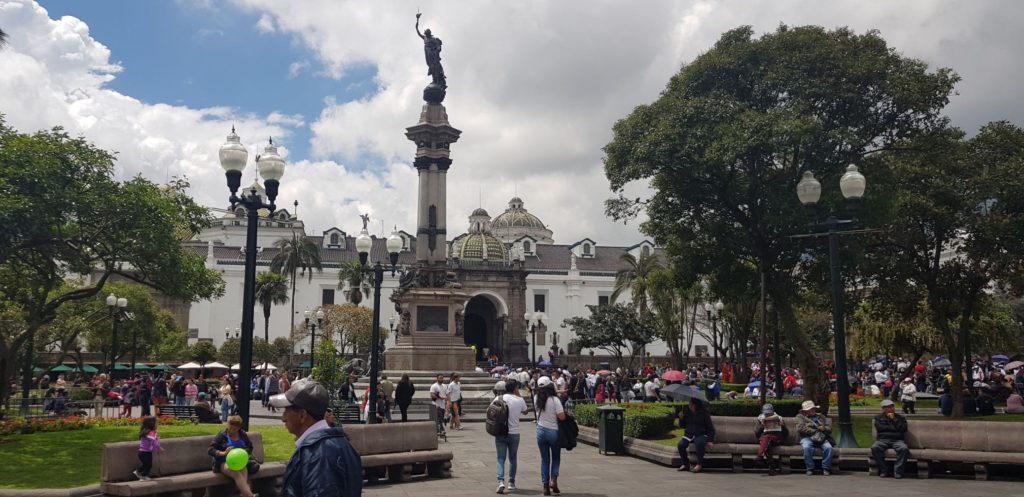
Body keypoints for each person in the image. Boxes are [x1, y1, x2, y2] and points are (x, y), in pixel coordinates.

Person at [271, 379, 363, 496]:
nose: (283, 418)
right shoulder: (341, 443)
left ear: (302, 415)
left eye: (286, 410)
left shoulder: (317, 454)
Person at [208, 415, 256, 497]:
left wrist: (243, 451)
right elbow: (210, 449)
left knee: (244, 472)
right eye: (230, 427)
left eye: (234, 429)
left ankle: (243, 494)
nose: (231, 430)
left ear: (239, 428)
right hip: (224, 462)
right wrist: (223, 453)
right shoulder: (222, 435)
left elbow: (250, 447)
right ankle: (250, 495)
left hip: (240, 462)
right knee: (237, 474)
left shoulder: (242, 435)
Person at [495, 379, 529, 494]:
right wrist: (518, 395)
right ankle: (511, 482)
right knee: (513, 458)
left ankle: (500, 482)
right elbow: (525, 411)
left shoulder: (499, 398)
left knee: (500, 458)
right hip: (514, 433)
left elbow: (489, 411)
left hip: (500, 432)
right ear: (515, 388)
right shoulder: (519, 400)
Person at [534, 376, 566, 496]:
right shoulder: (554, 399)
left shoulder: (536, 398)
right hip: (553, 431)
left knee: (545, 460)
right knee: (556, 458)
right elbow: (562, 417)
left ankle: (545, 486)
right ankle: (554, 481)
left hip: (540, 431)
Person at [871, 399, 911, 479]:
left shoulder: (900, 418)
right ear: (883, 409)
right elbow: (880, 428)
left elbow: (903, 429)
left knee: (904, 449)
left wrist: (894, 420)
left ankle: (898, 471)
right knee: (875, 448)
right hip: (883, 440)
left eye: (892, 406)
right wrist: (894, 428)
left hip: (898, 440)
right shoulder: (878, 418)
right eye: (888, 407)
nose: (891, 409)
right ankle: (884, 470)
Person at [676, 399, 715, 473]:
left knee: (699, 443)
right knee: (681, 445)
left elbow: (711, 428)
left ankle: (699, 464)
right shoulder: (687, 413)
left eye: (690, 403)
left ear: (695, 405)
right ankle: (685, 464)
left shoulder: (704, 414)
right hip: (689, 434)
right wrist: (681, 418)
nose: (689, 405)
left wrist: (710, 440)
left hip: (700, 434)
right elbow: (683, 426)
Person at [796, 400, 833, 476]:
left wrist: (824, 429)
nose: (813, 410)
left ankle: (825, 468)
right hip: (807, 437)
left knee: (829, 448)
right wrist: (815, 430)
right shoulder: (800, 417)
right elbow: (800, 428)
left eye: (813, 408)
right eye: (810, 409)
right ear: (806, 411)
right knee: (807, 447)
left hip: (821, 437)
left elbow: (829, 429)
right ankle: (810, 468)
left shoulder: (820, 416)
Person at [755, 403, 785, 474]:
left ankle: (760, 456)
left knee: (766, 439)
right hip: (765, 437)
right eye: (766, 414)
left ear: (773, 411)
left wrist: (782, 426)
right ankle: (772, 467)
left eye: (769, 413)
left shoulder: (779, 417)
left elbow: (786, 433)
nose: (768, 415)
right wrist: (762, 426)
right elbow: (756, 433)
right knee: (767, 443)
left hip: (776, 437)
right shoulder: (760, 418)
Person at [134, 416, 162, 481]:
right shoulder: (151, 433)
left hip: (142, 452)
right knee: (148, 465)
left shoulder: (145, 432)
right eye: (156, 423)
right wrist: (159, 448)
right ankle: (143, 476)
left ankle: (137, 472)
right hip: (146, 453)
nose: (157, 424)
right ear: (151, 424)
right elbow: (154, 443)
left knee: (145, 465)